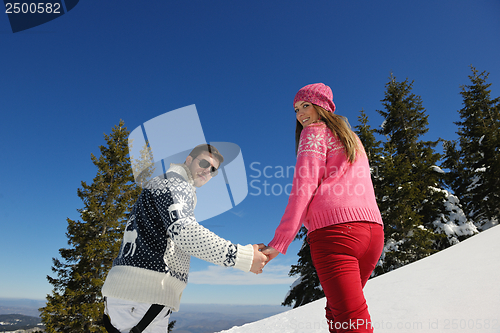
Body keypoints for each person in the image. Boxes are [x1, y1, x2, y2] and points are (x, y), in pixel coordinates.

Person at [102, 144, 268, 333]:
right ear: (188, 160)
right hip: (140, 298)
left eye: (213, 170)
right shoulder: (175, 183)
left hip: (135, 298)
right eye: (204, 162)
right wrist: (243, 257)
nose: (208, 170)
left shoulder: (166, 183)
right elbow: (185, 232)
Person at [262, 83, 384, 333]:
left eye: (305, 105)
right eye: (296, 109)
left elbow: (303, 187)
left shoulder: (314, 133)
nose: (300, 114)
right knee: (341, 312)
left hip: (335, 234)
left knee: (350, 320)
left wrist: (280, 241)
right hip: (373, 233)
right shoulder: (352, 139)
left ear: (322, 106)